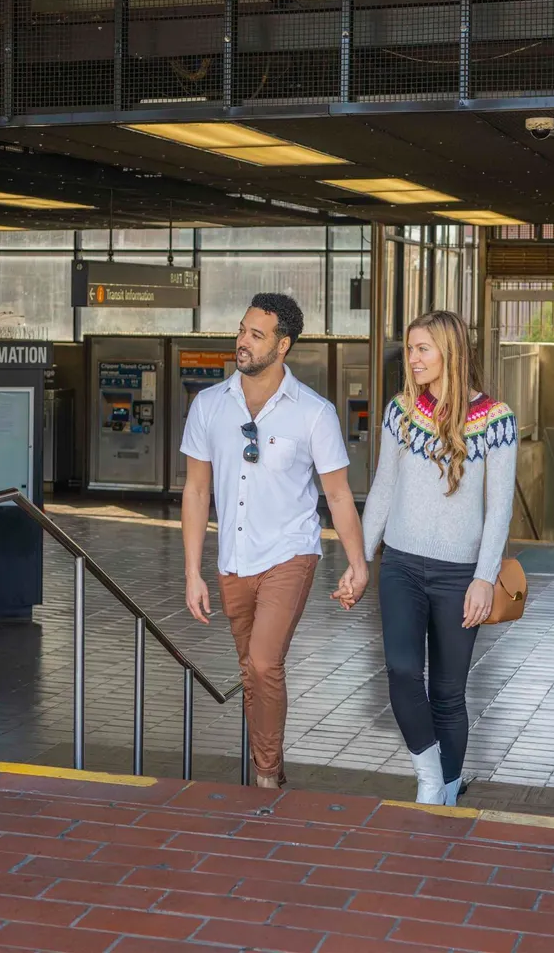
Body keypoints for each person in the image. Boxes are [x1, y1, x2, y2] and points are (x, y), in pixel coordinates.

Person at [181, 292, 369, 789]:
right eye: (242, 330)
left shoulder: (313, 413)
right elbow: (196, 490)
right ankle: (272, 770)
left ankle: (264, 776)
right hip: (233, 559)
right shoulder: (208, 405)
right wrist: (192, 572)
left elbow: (338, 494)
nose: (242, 341)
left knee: (264, 662)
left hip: (290, 552)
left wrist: (358, 563)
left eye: (256, 335)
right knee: (251, 671)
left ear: (282, 345)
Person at [338, 310, 517, 807]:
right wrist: (360, 561)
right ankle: (430, 779)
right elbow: (382, 490)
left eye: (422, 349)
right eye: (410, 349)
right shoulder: (401, 411)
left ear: (449, 353)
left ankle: (448, 796)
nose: (412, 359)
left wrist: (484, 578)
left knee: (447, 692)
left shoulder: (496, 419)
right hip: (400, 566)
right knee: (400, 670)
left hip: (461, 576)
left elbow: (500, 509)